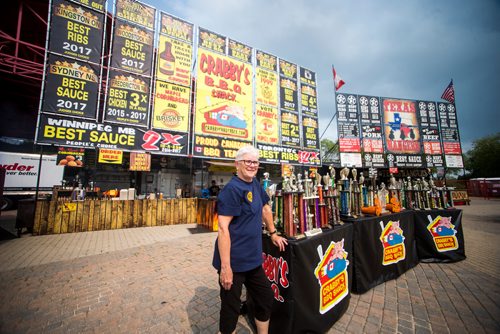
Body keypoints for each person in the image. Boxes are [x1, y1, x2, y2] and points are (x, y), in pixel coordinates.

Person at [212, 146, 287, 334]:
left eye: (255, 162)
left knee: (265, 298)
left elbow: (265, 208)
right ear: (237, 164)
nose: (252, 165)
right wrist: (226, 268)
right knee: (230, 310)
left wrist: (273, 233)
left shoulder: (254, 183)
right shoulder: (232, 190)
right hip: (234, 262)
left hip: (252, 261)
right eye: (248, 161)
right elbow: (223, 229)